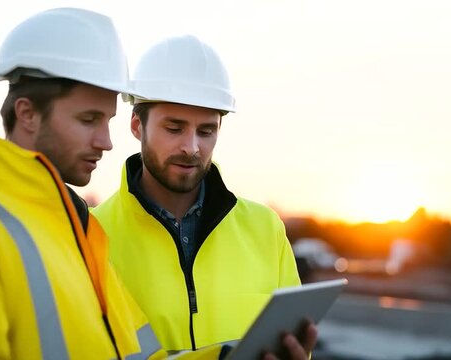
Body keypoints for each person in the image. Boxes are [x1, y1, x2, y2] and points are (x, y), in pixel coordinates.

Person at [0, 8, 223, 359]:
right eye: (88, 119)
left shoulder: (78, 230)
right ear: (27, 113)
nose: (106, 141)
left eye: (107, 120)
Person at [91, 35, 317, 358]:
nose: (192, 147)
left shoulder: (267, 229)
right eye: (174, 128)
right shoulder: (91, 235)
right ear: (137, 125)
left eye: (206, 131)